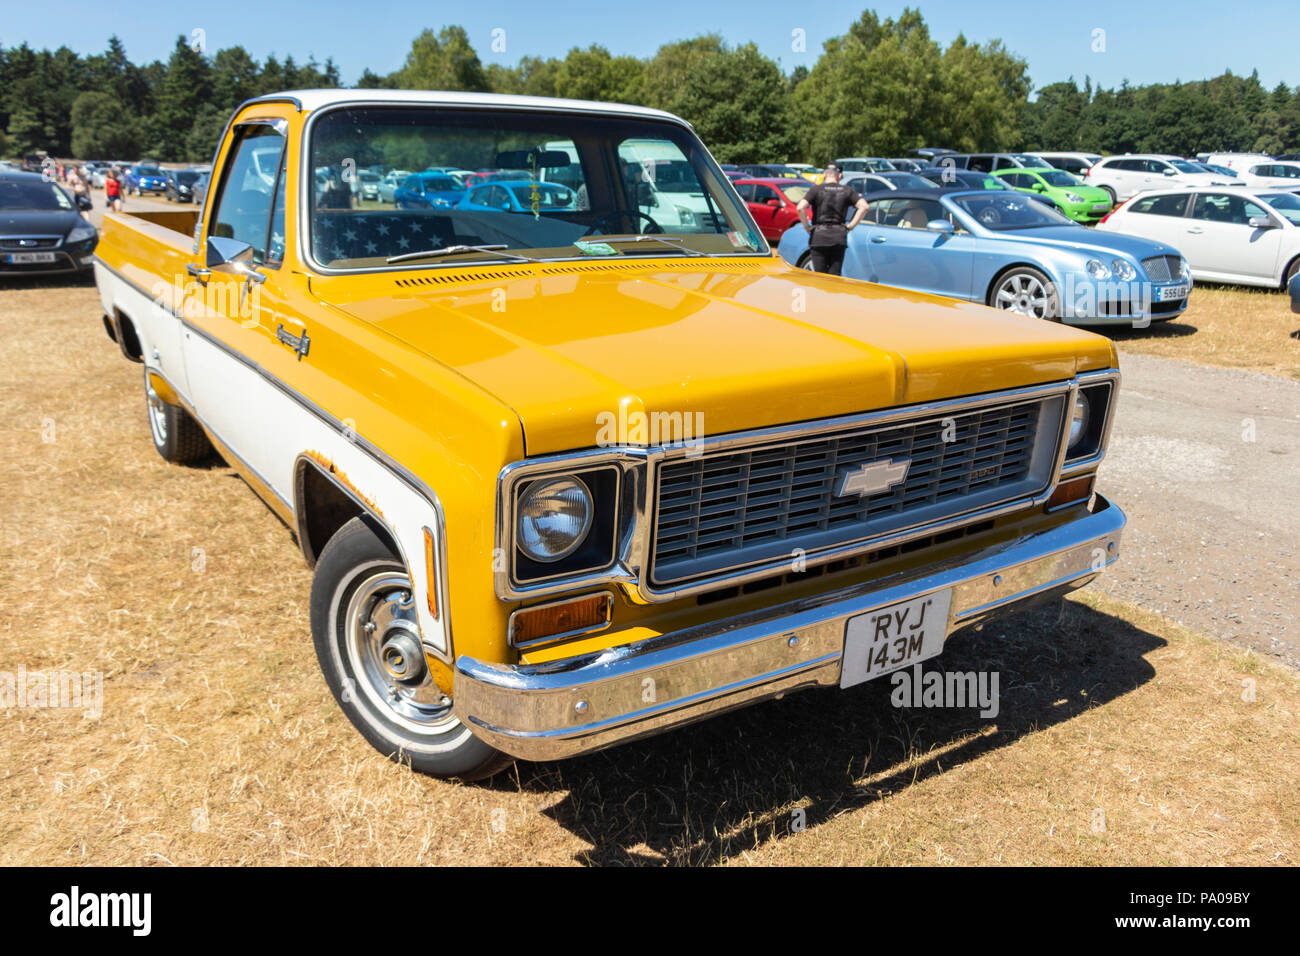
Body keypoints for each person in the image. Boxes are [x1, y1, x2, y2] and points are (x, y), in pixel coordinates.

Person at [795, 162, 870, 275]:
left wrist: (807, 227)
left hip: (818, 236)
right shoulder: (847, 190)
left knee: (819, 276)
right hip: (838, 236)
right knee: (834, 276)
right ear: (839, 176)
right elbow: (864, 207)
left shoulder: (816, 190)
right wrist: (850, 226)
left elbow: (800, 208)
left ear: (825, 175)